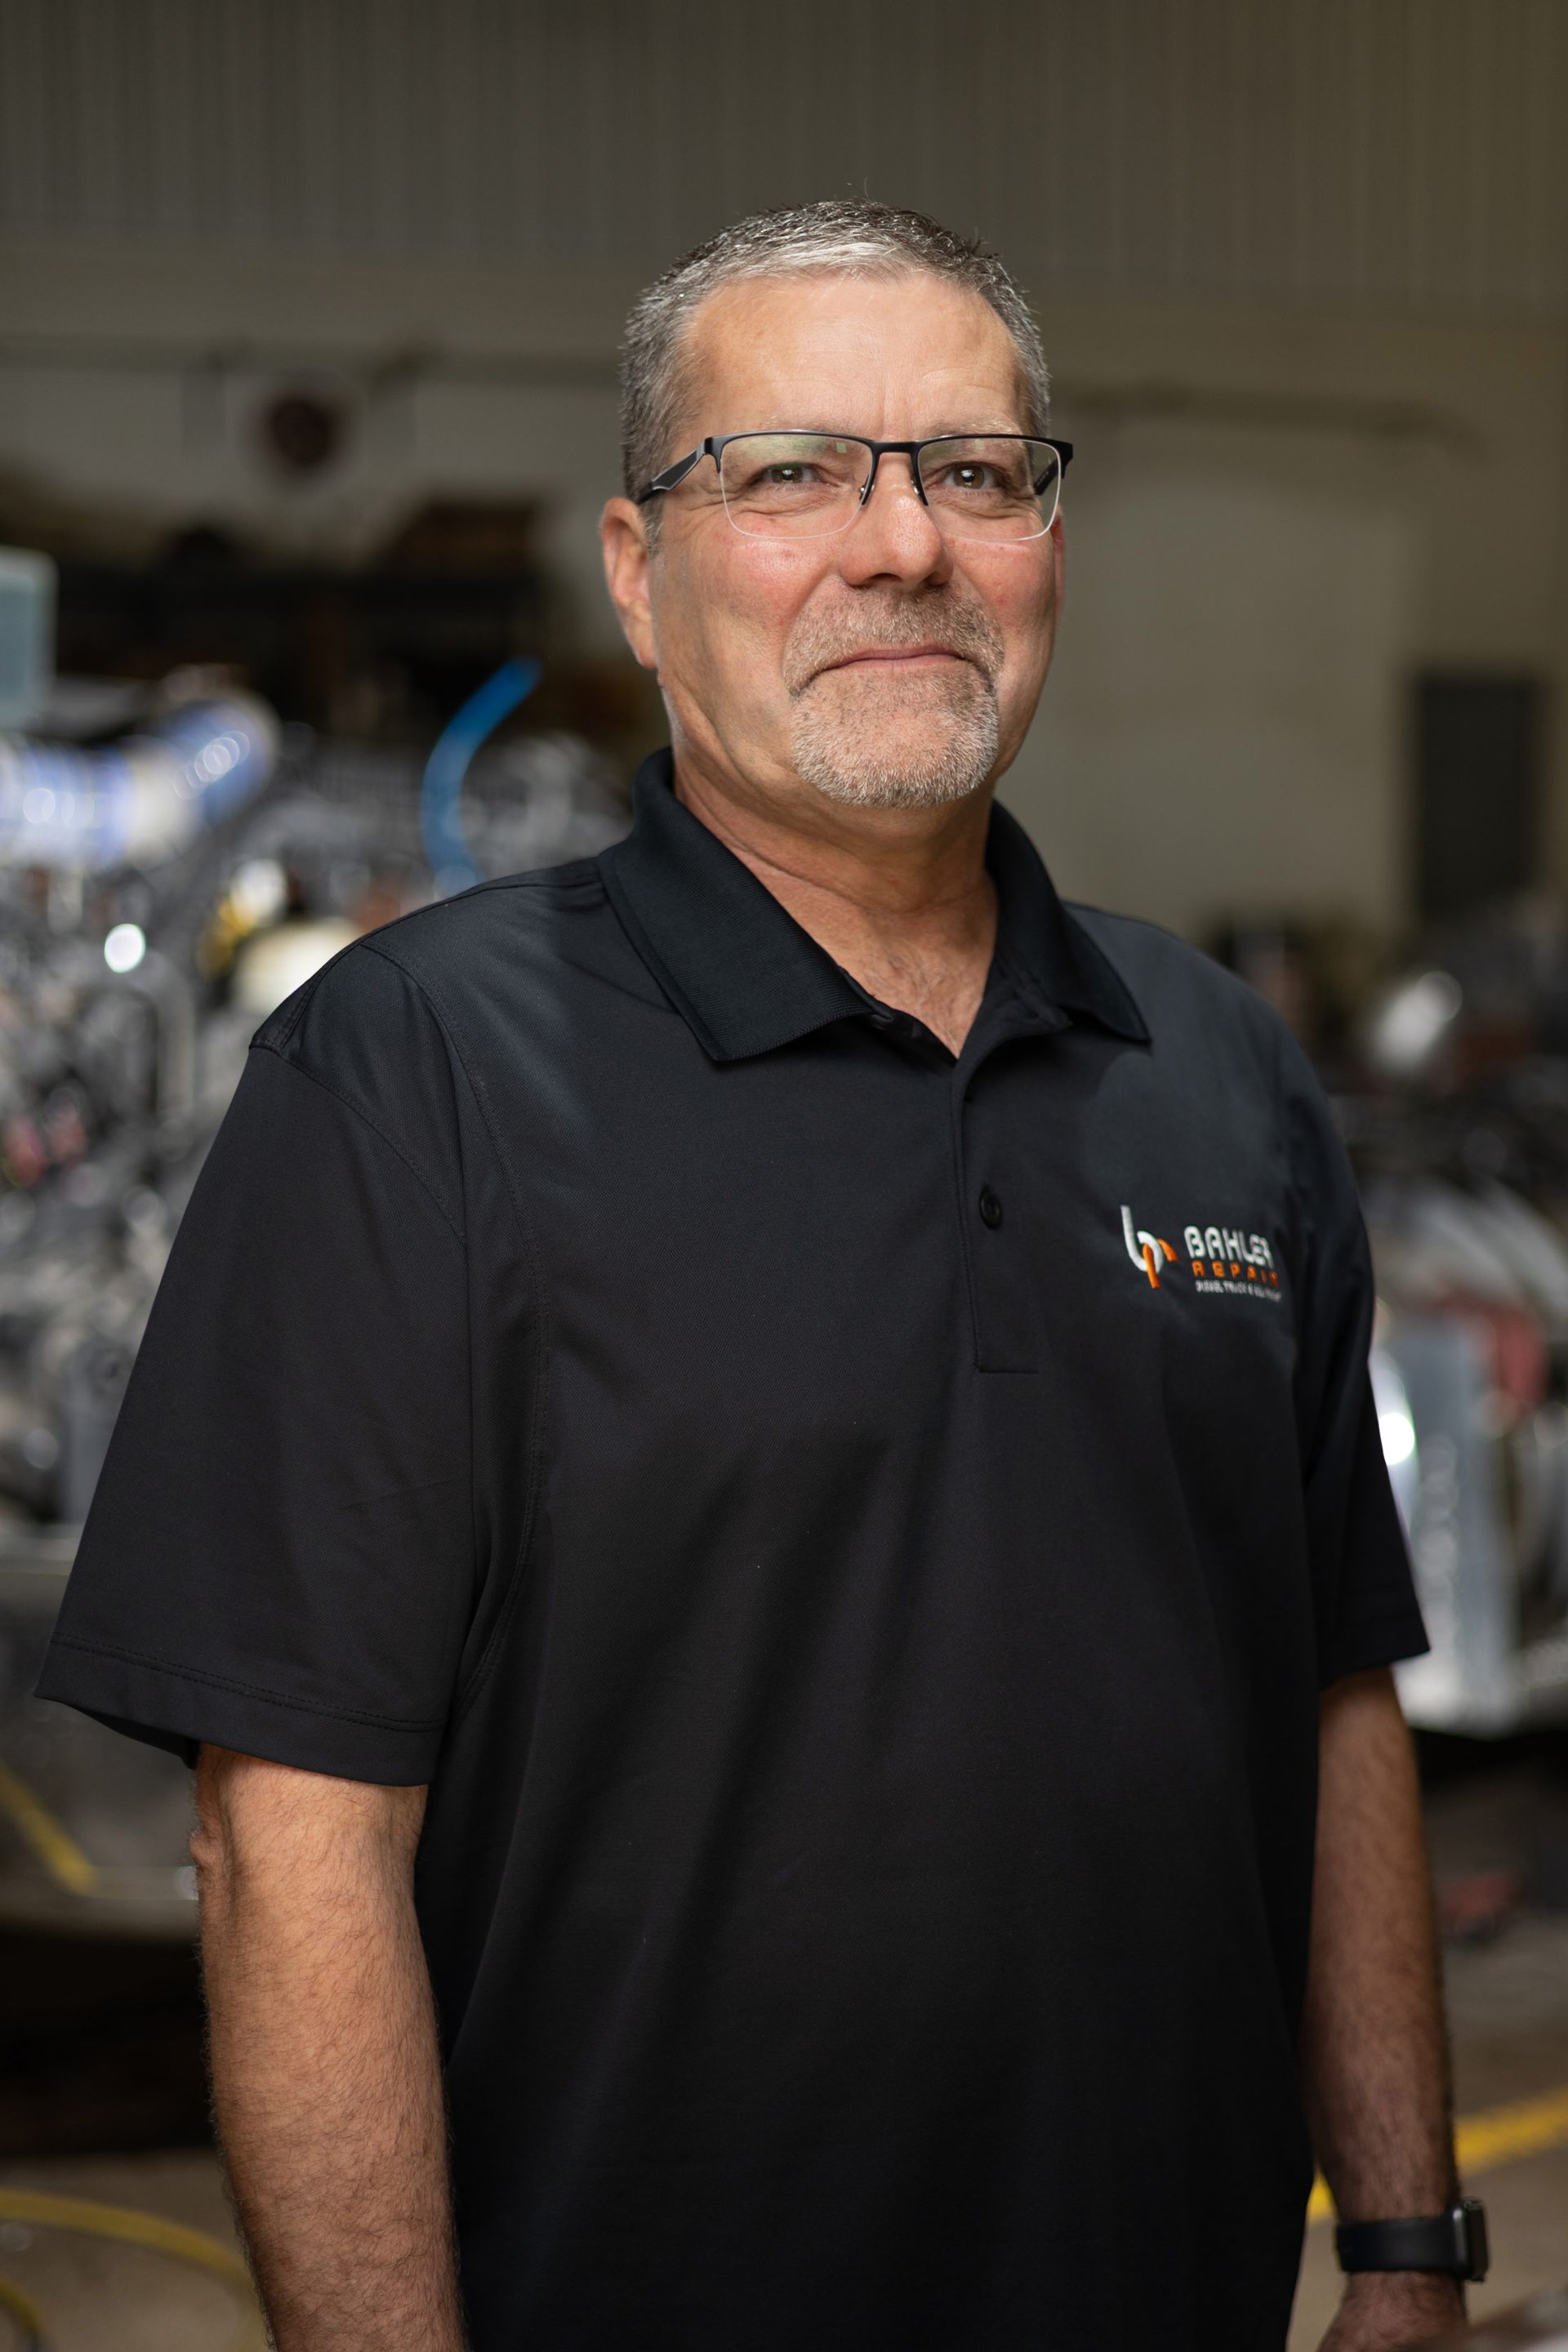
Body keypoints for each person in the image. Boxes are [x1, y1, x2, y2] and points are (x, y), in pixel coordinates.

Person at [39, 201, 1476, 2352]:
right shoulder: (413, 1075)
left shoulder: (1221, 1078)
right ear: (639, 567)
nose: (901, 544)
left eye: (974, 471)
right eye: (791, 473)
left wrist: (1401, 2244)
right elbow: (295, 1847)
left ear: (1044, 540)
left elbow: (1336, 1694)